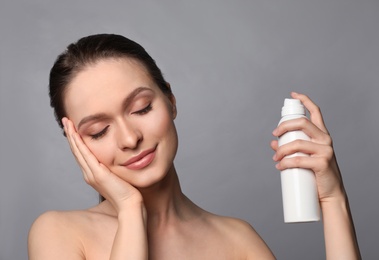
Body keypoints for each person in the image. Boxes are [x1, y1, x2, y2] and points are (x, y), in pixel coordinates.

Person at [28, 34, 361, 259]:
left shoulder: (237, 240)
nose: (130, 139)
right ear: (76, 143)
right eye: (99, 131)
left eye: (142, 108)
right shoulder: (60, 233)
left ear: (170, 101)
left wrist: (333, 200)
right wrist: (130, 210)